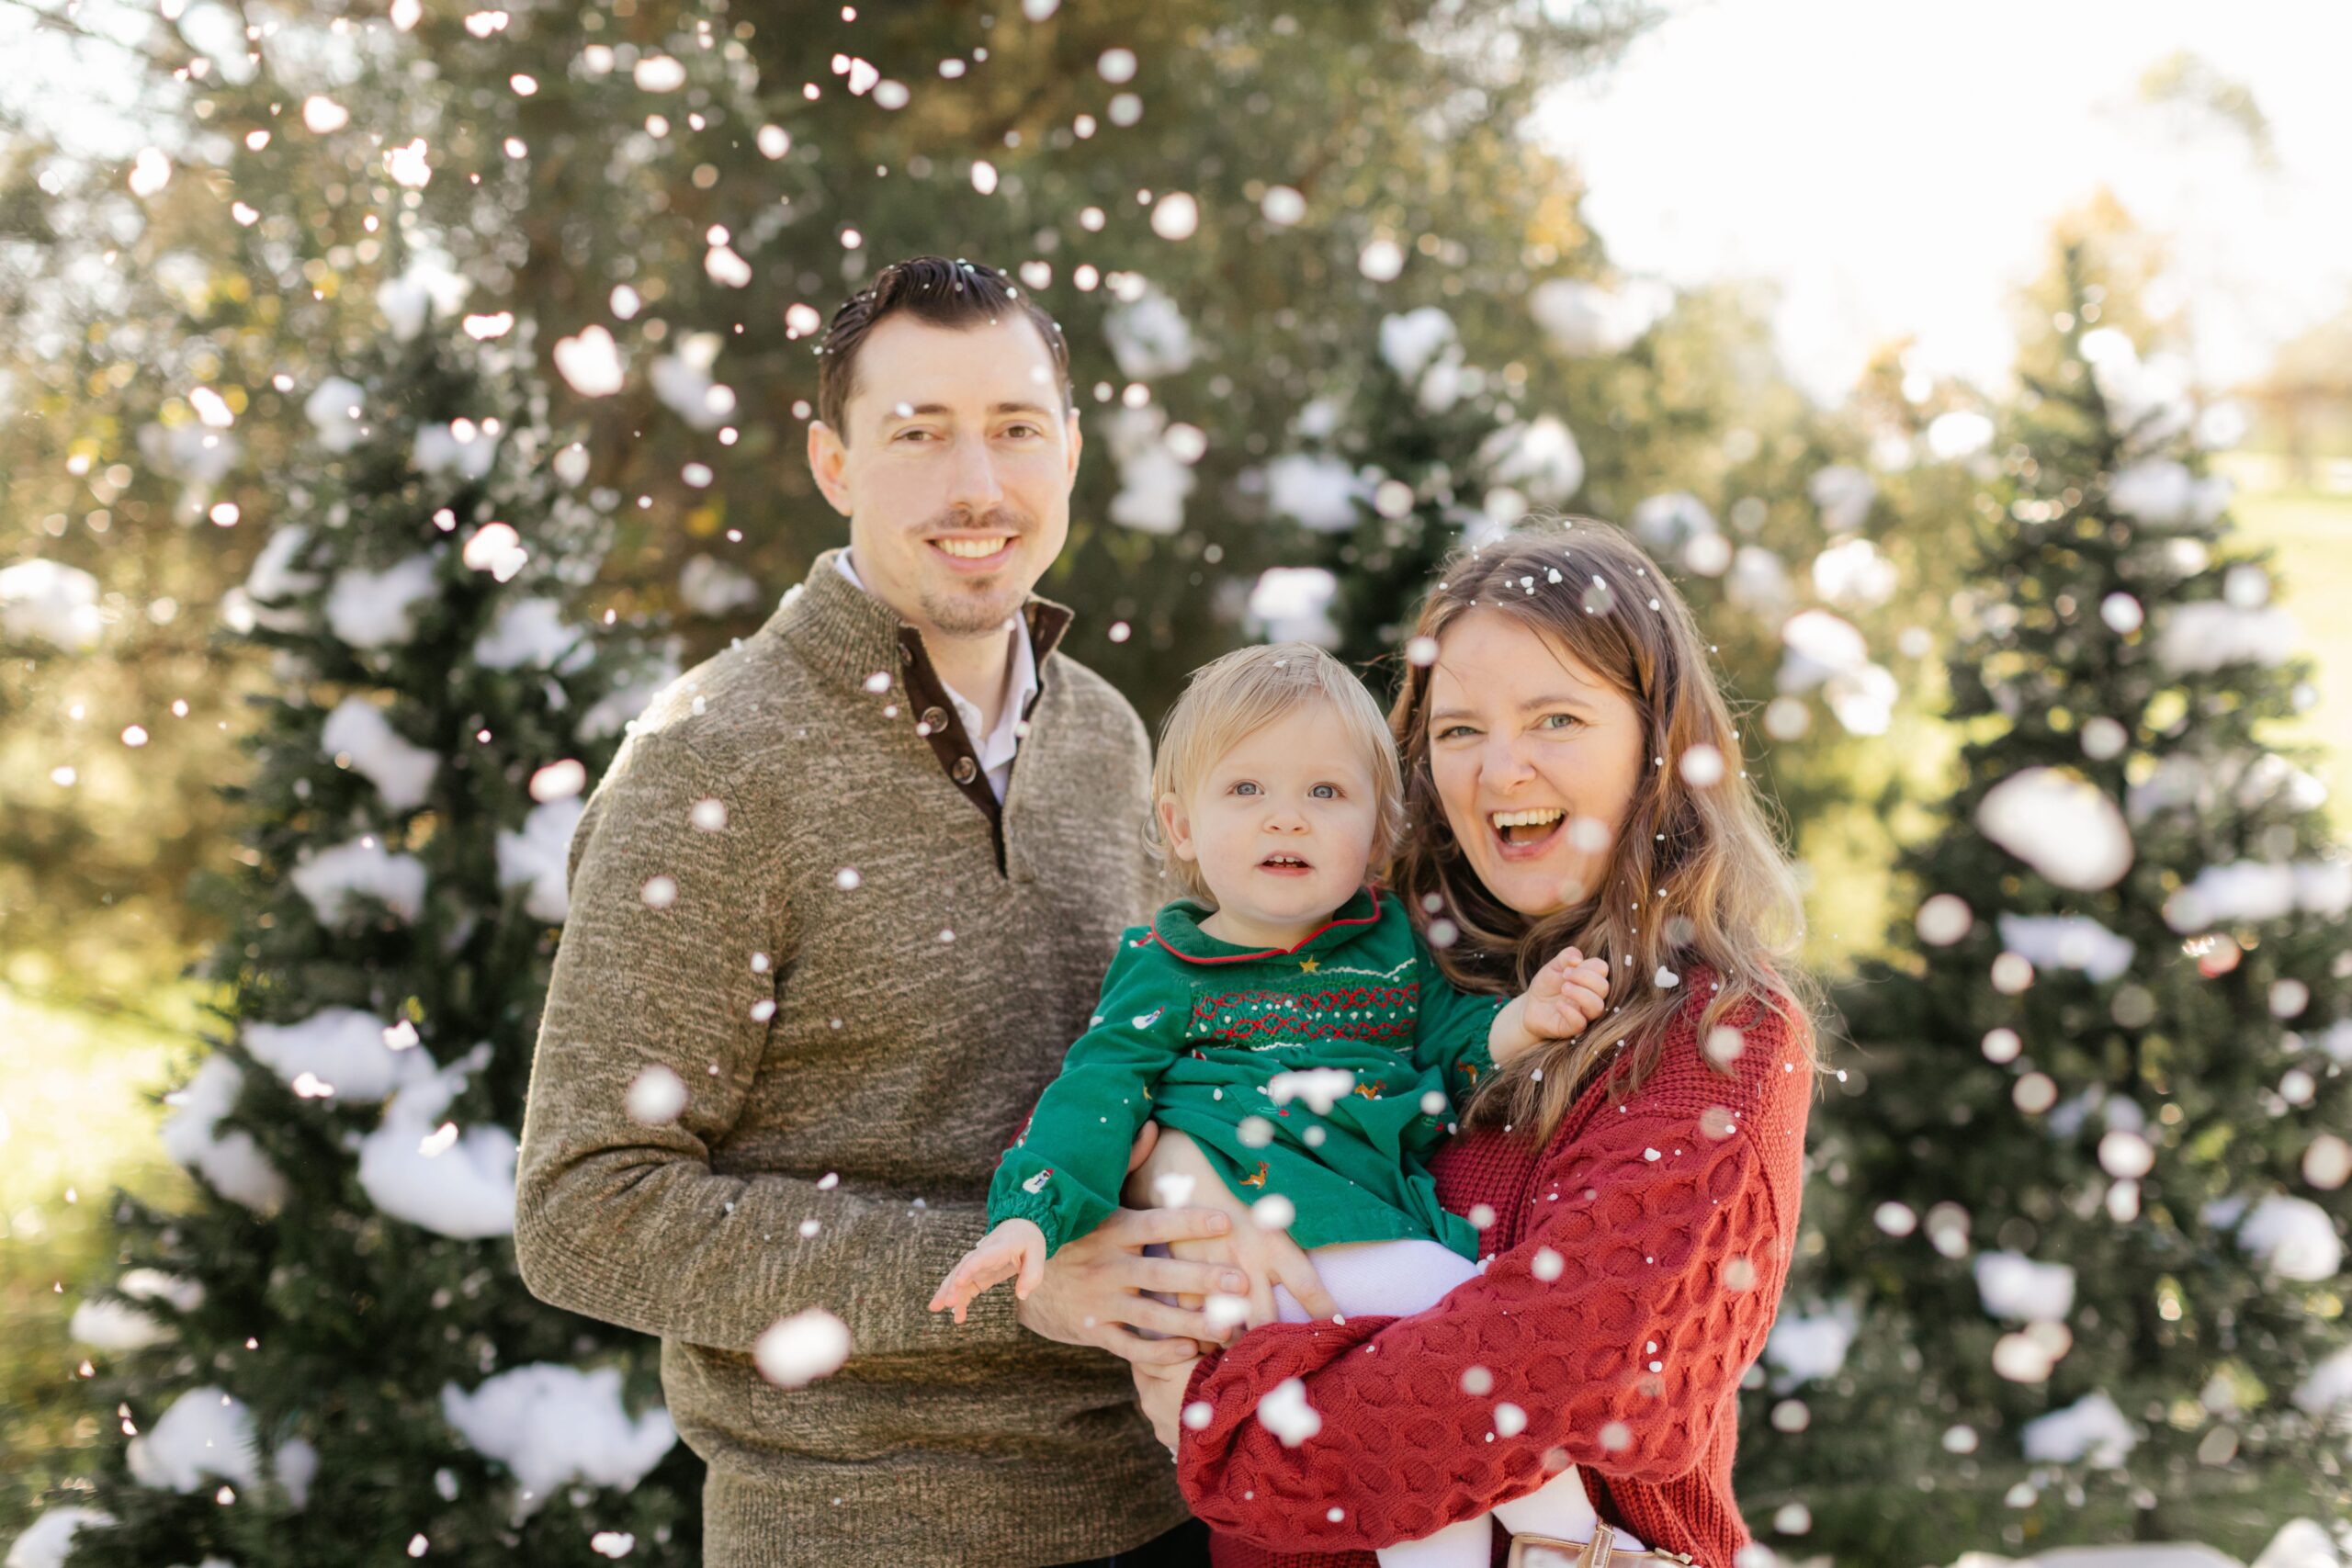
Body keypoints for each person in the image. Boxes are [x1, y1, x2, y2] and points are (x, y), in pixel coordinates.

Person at [514, 256, 1249, 1568]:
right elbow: (588, 1207)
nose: (978, 484)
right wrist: (1019, 1274)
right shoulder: (713, 761)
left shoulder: (1110, 737)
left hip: (1161, 1506)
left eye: (1016, 429)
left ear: (1071, 451)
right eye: (918, 434)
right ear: (834, 463)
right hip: (856, 1529)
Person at [1126, 519, 1820, 1568]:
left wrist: (1215, 1418)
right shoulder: (1380, 979)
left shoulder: (1721, 1038)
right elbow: (1157, 1098)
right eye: (1457, 731)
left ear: (1657, 740)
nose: (1503, 770)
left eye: (1555, 717)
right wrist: (1176, 1177)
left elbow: (1533, 1379)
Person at [929, 643, 1616, 1568]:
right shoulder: (1164, 971)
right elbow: (1092, 1099)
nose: (1285, 816)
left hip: (1353, 1229)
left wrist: (1530, 1018)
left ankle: (1546, 1547)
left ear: (1376, 837)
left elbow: (1459, 1044)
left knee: (1426, 1439)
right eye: (1245, 790)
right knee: (1466, 1331)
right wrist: (1031, 1220)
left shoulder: (1393, 950)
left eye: (1325, 794)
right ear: (1179, 824)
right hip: (1251, 1255)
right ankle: (1569, 1543)